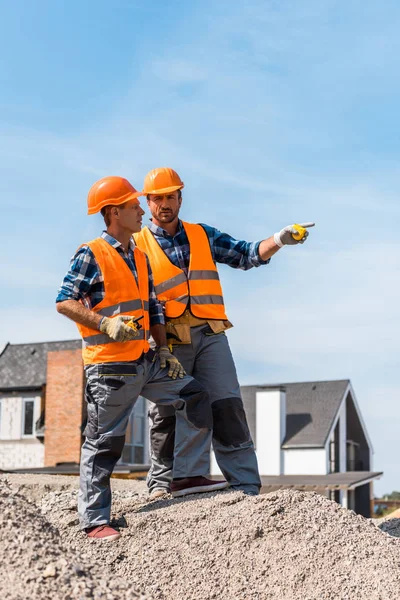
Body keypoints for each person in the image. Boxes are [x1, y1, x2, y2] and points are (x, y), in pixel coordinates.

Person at [56, 175, 228, 541]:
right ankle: (94, 521)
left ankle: (182, 476)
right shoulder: (92, 253)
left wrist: (163, 348)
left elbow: (154, 307)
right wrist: (105, 323)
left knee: (195, 396)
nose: (142, 210)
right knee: (104, 443)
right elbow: (64, 300)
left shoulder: (138, 254)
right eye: (135, 206)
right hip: (109, 367)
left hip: (145, 360)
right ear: (115, 212)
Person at [134, 167, 314, 499]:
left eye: (170, 197)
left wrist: (279, 240)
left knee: (227, 405)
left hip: (210, 334)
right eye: (158, 198)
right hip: (167, 341)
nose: (165, 204)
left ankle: (246, 486)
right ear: (147, 202)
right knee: (167, 411)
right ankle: (163, 484)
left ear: (180, 198)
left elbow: (246, 254)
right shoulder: (137, 246)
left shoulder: (202, 234)